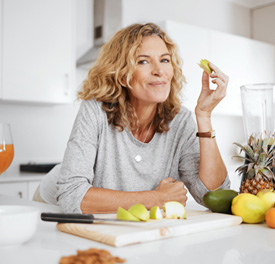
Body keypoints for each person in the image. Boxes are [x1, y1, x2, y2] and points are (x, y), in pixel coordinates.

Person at [36, 22, 230, 214]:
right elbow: (71, 196)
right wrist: (156, 198)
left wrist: (204, 116)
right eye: (143, 61)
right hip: (52, 204)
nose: (159, 70)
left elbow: (214, 196)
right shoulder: (95, 110)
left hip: (118, 216)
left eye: (164, 60)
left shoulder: (181, 121)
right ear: (122, 75)